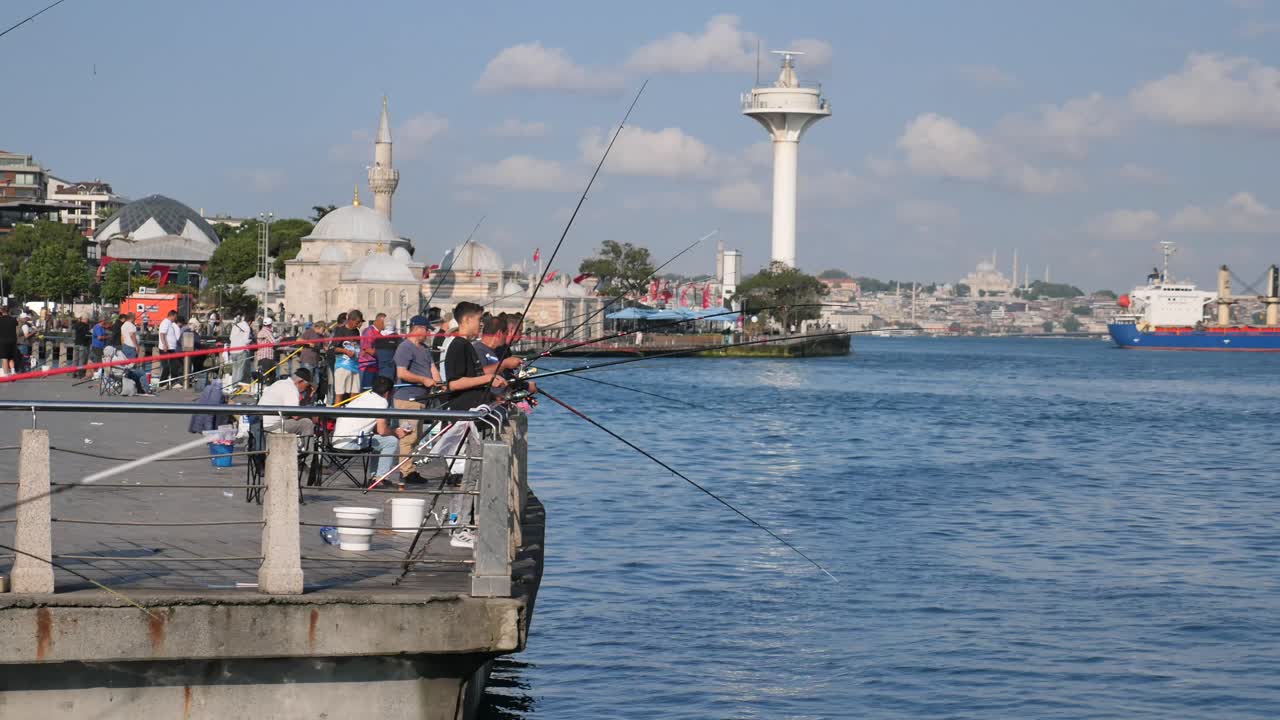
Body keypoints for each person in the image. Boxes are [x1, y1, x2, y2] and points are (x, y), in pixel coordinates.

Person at [332, 375, 408, 487]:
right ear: (388, 393)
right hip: (350, 444)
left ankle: (375, 476)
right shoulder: (381, 402)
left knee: (378, 440)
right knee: (390, 441)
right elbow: (382, 431)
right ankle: (380, 477)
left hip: (336, 442)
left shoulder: (363, 396)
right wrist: (396, 432)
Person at [392, 315, 438, 481]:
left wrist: (439, 383)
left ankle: (409, 468)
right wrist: (424, 380)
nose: (428, 334)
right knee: (407, 436)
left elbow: (432, 368)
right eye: (426, 330)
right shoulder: (405, 347)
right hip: (407, 400)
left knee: (416, 437)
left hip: (420, 399)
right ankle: (406, 471)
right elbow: (402, 373)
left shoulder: (424, 348)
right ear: (418, 328)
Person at [259, 368, 315, 438]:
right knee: (307, 423)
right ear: (300, 382)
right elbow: (295, 415)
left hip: (261, 424)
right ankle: (308, 449)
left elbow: (293, 410)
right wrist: (312, 415)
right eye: (307, 386)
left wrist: (307, 398)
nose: (307, 389)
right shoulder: (291, 389)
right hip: (271, 427)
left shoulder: (281, 383)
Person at [331, 310, 363, 404]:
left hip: (355, 366)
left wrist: (360, 351)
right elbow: (333, 348)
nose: (358, 325)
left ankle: (352, 415)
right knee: (340, 393)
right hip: (342, 365)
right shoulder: (340, 330)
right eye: (357, 322)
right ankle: (337, 417)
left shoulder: (356, 331)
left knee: (355, 392)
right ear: (351, 320)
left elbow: (356, 345)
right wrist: (345, 351)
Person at [156, 310, 181, 387]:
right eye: (175, 317)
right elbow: (162, 334)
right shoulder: (166, 322)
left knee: (175, 365)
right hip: (166, 348)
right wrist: (164, 345)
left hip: (171, 348)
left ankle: (174, 382)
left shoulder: (170, 323)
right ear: (172, 315)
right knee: (166, 366)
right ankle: (162, 383)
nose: (175, 319)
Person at [359, 313, 381, 389]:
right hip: (367, 367)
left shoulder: (379, 332)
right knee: (366, 392)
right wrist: (383, 354)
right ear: (379, 321)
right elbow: (367, 348)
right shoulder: (369, 331)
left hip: (375, 367)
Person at [228, 315, 253, 383]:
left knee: (234, 369)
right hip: (241, 351)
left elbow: (230, 338)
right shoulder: (247, 327)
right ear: (250, 321)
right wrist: (250, 341)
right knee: (240, 370)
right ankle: (237, 387)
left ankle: (233, 386)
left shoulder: (236, 325)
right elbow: (245, 341)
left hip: (232, 350)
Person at [0, 306, 17, 376]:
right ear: (9, 311)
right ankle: (13, 371)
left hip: (3, 341)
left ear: (1, 311)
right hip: (12, 340)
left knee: (4, 358)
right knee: (11, 357)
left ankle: (6, 374)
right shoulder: (13, 319)